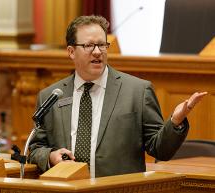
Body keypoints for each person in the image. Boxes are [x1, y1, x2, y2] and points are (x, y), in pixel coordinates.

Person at [28, 15, 207, 178]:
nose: (97, 52)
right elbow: (35, 148)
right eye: (89, 45)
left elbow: (161, 150)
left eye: (102, 45)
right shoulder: (51, 96)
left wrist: (175, 121)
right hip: (67, 188)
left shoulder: (137, 91)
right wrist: (51, 156)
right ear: (71, 51)